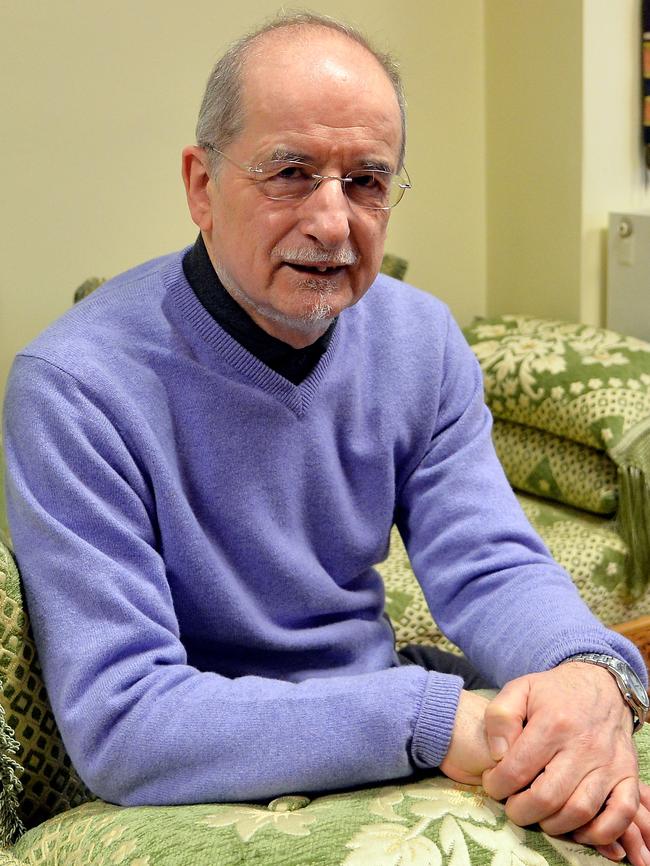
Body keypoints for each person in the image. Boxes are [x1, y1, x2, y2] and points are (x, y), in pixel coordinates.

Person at [3, 11, 650, 864]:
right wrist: (432, 719)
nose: (335, 223)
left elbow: (489, 563)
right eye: (291, 172)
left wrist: (585, 673)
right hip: (205, 760)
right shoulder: (74, 387)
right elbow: (125, 723)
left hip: (390, 701)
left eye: (368, 181)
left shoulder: (421, 341)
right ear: (201, 185)